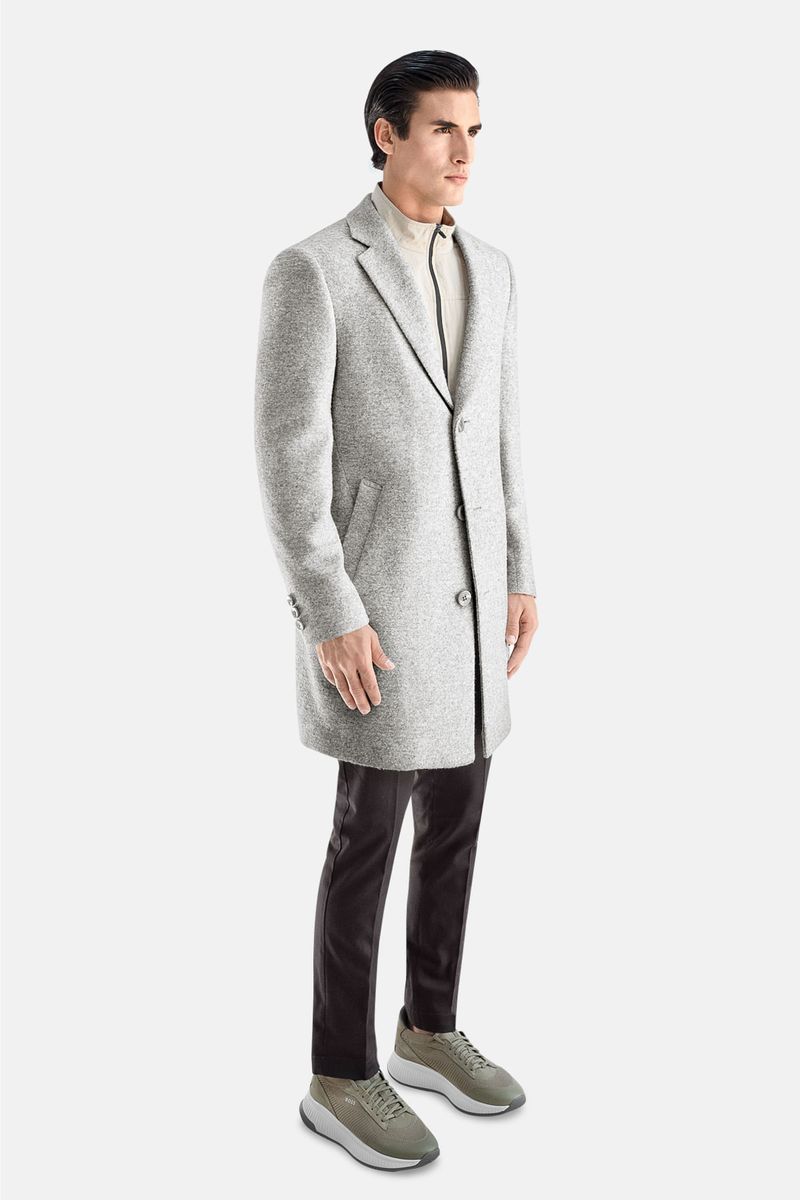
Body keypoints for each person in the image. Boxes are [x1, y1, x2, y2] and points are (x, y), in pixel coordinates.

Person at [254, 49, 540, 1171]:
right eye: (441, 129)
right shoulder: (315, 271)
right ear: (385, 133)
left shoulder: (494, 270)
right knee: (366, 837)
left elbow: (501, 433)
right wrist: (330, 609)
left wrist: (520, 569)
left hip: (469, 611)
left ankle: (427, 1030)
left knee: (458, 825)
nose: (464, 152)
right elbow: (288, 461)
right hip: (377, 610)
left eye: (474, 131)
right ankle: (338, 1073)